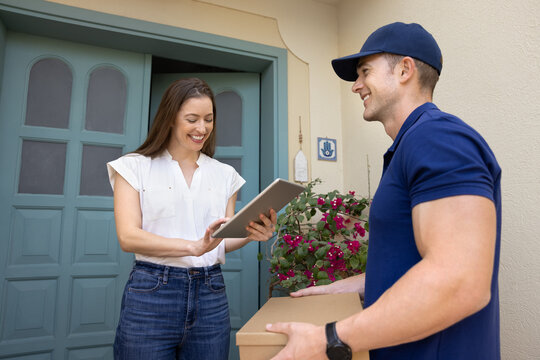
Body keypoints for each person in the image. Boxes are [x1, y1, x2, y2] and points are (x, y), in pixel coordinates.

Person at [266, 22, 501, 360]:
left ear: (405, 70)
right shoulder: (413, 144)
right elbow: (414, 259)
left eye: (364, 72)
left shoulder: (436, 139)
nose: (356, 86)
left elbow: (460, 281)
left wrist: (328, 339)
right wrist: (354, 284)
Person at [107, 77, 277, 359]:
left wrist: (249, 234)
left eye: (208, 119)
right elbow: (128, 236)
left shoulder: (225, 175)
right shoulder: (133, 167)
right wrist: (193, 247)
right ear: (170, 118)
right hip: (151, 294)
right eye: (192, 119)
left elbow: (219, 241)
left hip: (210, 294)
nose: (202, 128)